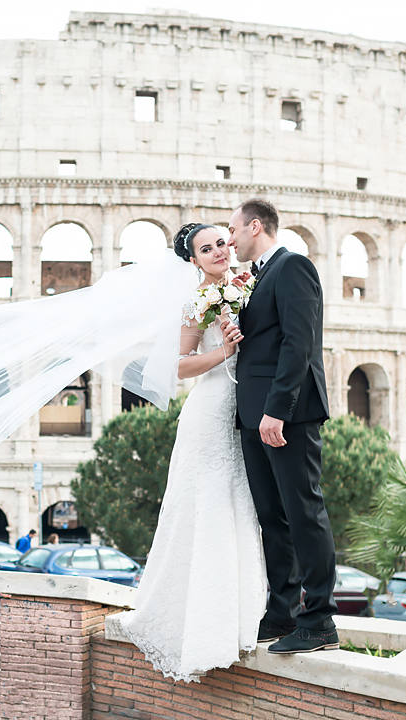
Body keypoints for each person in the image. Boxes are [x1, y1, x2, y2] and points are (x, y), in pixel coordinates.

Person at [117, 222, 268, 682]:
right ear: (194, 261)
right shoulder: (196, 301)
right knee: (207, 506)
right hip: (211, 409)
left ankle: (245, 612)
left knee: (241, 507)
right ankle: (203, 623)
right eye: (208, 248)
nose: (220, 251)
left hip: (246, 407)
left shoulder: (250, 284)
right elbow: (178, 366)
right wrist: (223, 351)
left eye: (223, 242)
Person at [226, 198, 337, 654]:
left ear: (256, 226)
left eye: (233, 230)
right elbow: (266, 341)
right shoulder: (257, 276)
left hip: (283, 415)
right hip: (254, 415)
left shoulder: (293, 267)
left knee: (303, 512)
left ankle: (319, 620)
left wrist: (278, 410)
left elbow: (299, 343)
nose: (229, 240)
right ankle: (281, 613)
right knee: (272, 518)